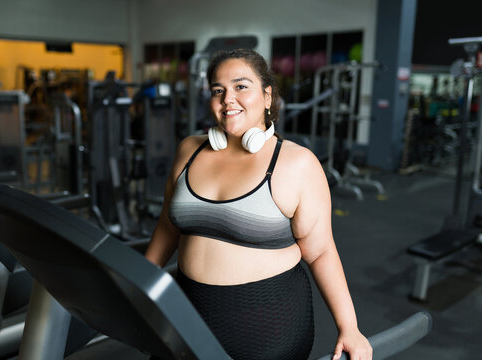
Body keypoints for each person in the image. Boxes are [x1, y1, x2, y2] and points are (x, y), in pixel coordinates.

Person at [145, 48, 372, 360]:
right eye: (218, 90)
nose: (228, 99)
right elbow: (168, 227)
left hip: (265, 325)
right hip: (186, 315)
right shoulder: (190, 150)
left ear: (267, 96)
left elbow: (320, 252)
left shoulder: (296, 163)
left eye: (241, 86)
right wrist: (139, 283)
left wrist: (350, 327)